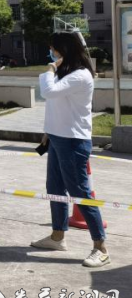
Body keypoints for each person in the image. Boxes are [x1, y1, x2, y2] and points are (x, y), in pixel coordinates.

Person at [31, 32, 109, 268]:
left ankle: (101, 248)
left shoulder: (80, 75)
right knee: (55, 188)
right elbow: (55, 104)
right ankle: (57, 237)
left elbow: (48, 92)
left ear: (63, 50)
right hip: (57, 138)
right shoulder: (67, 73)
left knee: (80, 194)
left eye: (53, 49)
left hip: (73, 141)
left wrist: (50, 68)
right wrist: (48, 132)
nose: (51, 53)